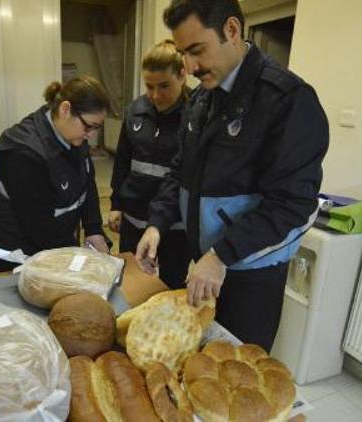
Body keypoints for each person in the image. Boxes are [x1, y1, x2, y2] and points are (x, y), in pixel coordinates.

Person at [135, 0, 329, 351]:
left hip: (250, 272)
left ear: (232, 30)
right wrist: (157, 223)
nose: (190, 67)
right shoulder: (202, 99)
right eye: (183, 54)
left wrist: (221, 255)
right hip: (208, 263)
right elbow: (182, 170)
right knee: (200, 361)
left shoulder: (286, 100)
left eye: (197, 51)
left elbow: (292, 203)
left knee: (238, 369)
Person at [0, 76, 111, 273]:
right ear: (65, 110)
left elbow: (87, 182)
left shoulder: (74, 133)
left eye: (96, 127)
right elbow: (39, 228)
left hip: (53, 238)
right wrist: (77, 261)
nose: (91, 135)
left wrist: (93, 229)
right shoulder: (23, 154)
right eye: (89, 126)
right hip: (17, 251)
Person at [108, 40, 191, 289]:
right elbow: (122, 160)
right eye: (149, 86)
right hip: (134, 218)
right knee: (131, 283)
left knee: (170, 286)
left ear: (183, 75)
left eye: (164, 86)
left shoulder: (195, 116)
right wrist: (116, 204)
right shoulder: (136, 111)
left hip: (175, 226)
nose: (156, 95)